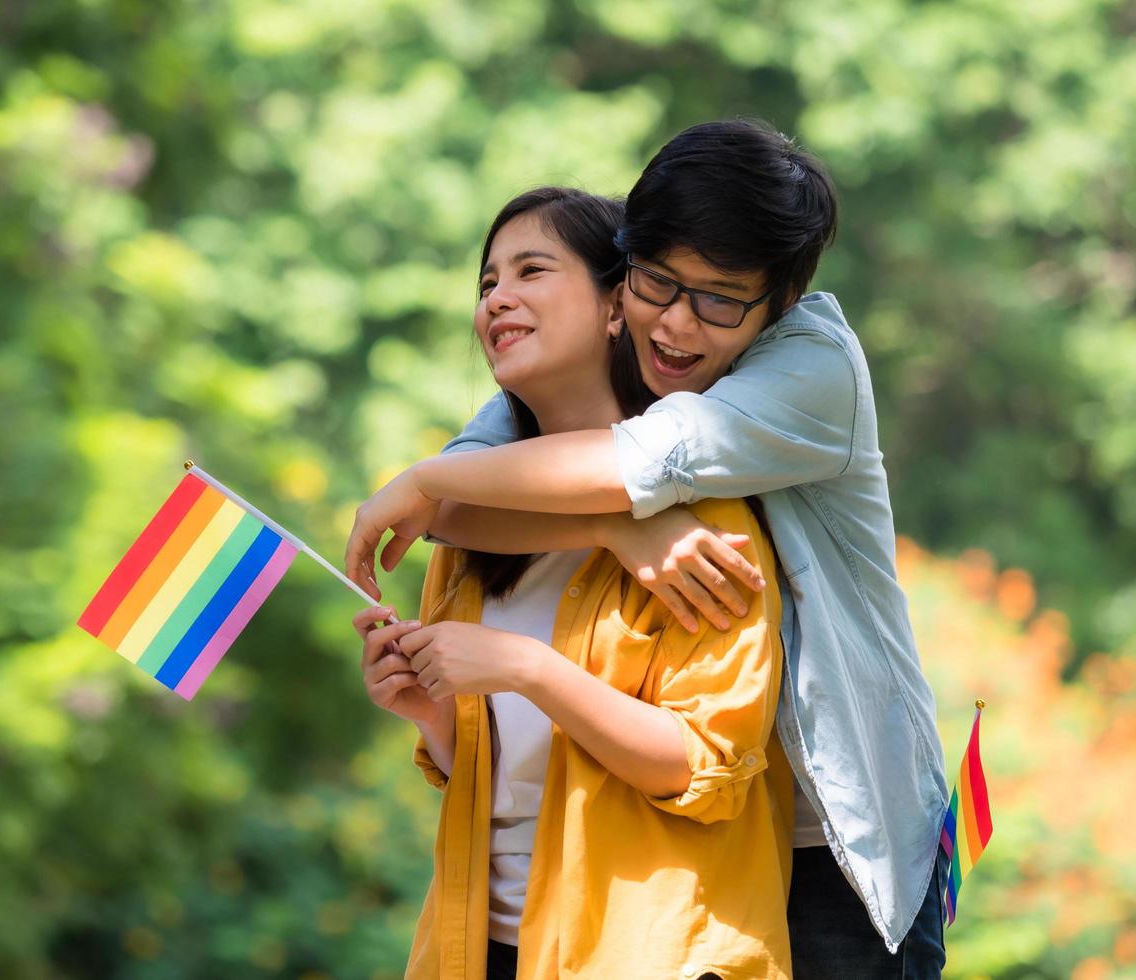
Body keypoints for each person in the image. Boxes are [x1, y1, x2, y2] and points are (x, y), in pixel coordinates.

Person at [347, 120, 948, 976]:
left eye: (718, 300)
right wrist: (604, 524)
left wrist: (424, 485)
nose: (675, 323)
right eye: (656, 283)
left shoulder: (808, 370)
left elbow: (608, 468)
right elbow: (455, 497)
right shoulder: (555, 416)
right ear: (620, 278)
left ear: (775, 305)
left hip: (838, 832)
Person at [354, 187, 794, 979]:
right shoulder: (465, 525)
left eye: (530, 270)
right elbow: (507, 779)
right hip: (481, 945)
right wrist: (431, 716)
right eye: (486, 283)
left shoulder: (700, 519)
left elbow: (701, 768)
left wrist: (524, 669)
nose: (498, 298)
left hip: (643, 953)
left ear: (615, 305)